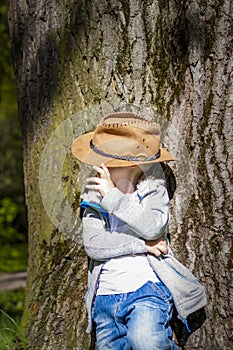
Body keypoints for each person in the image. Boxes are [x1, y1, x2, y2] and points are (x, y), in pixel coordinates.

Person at [71, 112, 207, 350]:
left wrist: (114, 197)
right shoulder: (92, 194)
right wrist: (143, 245)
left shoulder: (152, 188)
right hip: (104, 297)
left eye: (104, 160)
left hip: (147, 290)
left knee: (146, 342)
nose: (96, 166)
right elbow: (94, 244)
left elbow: (153, 226)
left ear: (131, 164)